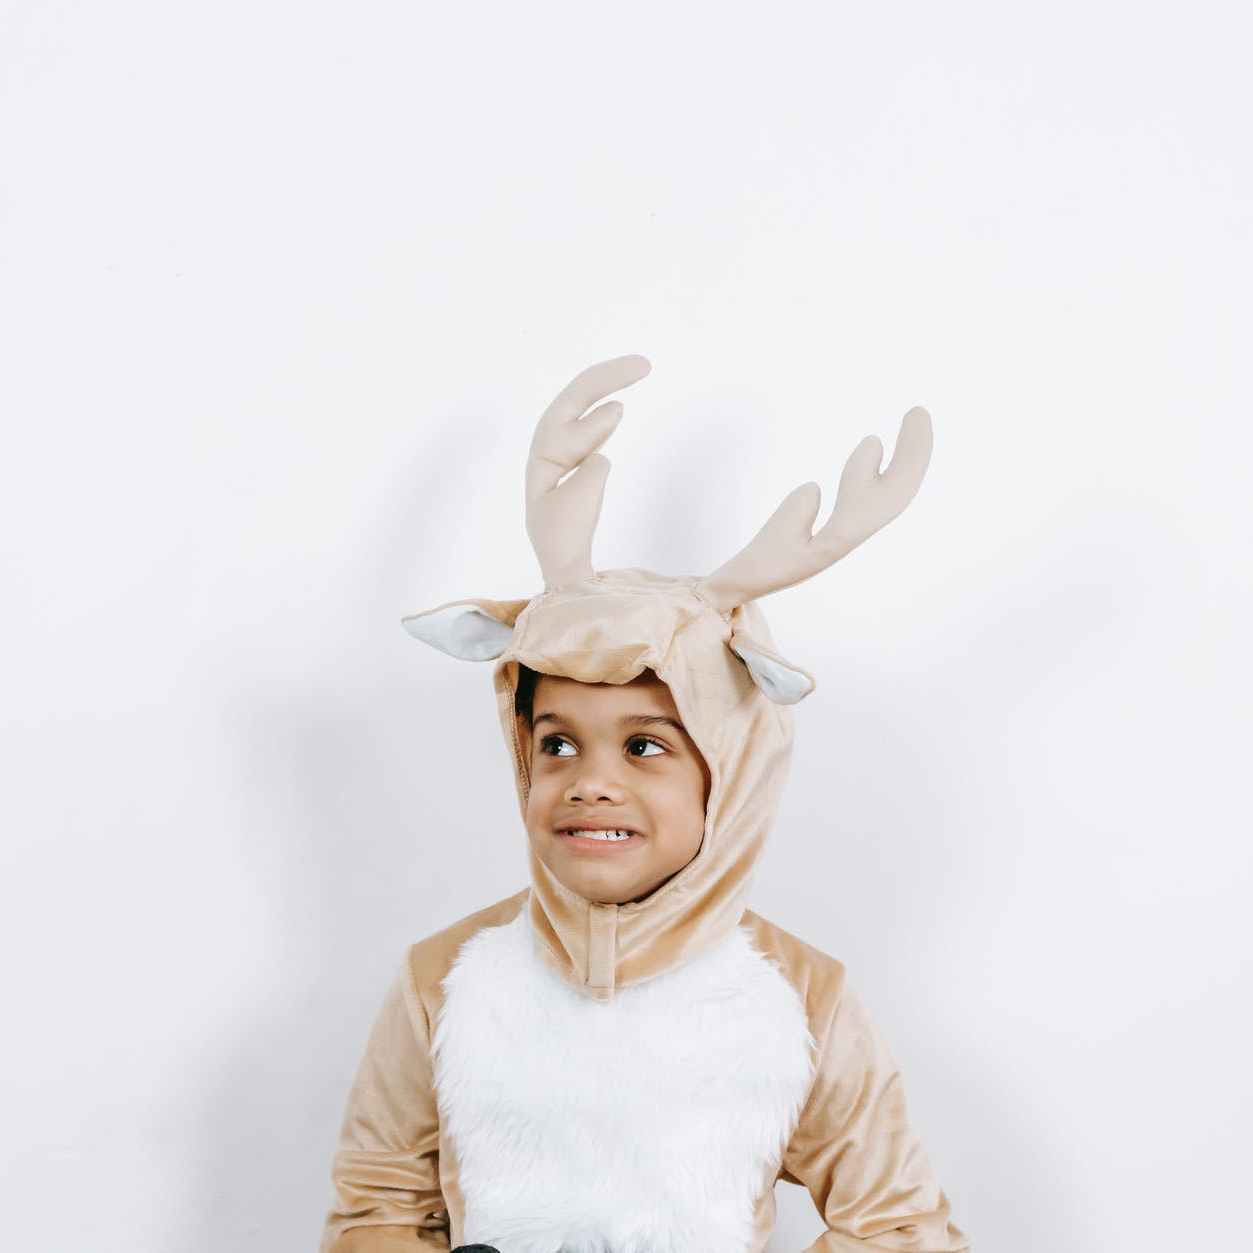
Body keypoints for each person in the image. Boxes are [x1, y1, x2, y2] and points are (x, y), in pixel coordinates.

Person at [318, 355, 972, 1252]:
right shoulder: (442, 980)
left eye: (644, 745)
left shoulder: (801, 996)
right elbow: (380, 1203)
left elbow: (897, 1225)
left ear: (729, 768)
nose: (589, 781)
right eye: (557, 743)